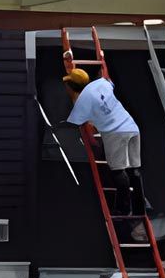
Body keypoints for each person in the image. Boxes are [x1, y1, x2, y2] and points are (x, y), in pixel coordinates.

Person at [63, 67, 148, 218]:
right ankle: (140, 208)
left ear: (71, 87)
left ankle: (123, 208)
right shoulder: (101, 83)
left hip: (115, 133)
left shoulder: (81, 103)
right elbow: (110, 83)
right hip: (131, 127)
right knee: (134, 170)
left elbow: (75, 125)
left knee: (118, 171)